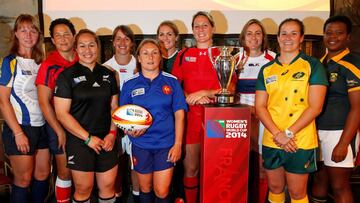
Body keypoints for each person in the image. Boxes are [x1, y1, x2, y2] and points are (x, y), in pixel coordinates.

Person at [255, 18, 328, 203]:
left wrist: (288, 134)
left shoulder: (313, 65)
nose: (288, 37)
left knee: (297, 193)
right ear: (278, 38)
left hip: (300, 140)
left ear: (301, 38)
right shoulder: (266, 69)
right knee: (275, 188)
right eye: (284, 33)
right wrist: (278, 134)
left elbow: (315, 107)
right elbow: (260, 107)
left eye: (294, 33)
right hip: (273, 139)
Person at [54, 29, 119, 203]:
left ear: (98, 47)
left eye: (91, 44)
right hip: (80, 140)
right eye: (82, 46)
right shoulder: (66, 76)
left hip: (106, 140)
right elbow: (61, 114)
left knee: (107, 188)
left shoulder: (109, 75)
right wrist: (88, 138)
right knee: (83, 189)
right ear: (75, 48)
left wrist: (112, 134)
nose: (87, 50)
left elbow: (114, 107)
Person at [120, 38, 187, 203]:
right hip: (141, 144)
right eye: (145, 53)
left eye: (154, 53)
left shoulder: (171, 82)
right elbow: (122, 117)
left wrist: (178, 145)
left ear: (160, 56)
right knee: (145, 189)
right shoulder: (130, 84)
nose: (150, 57)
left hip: (166, 144)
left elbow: (180, 115)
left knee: (162, 191)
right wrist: (129, 130)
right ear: (139, 58)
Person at [171, 11, 222, 203]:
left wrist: (203, 94)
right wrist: (190, 98)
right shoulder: (184, 55)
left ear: (213, 28)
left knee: (215, 167)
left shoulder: (221, 54)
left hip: (216, 119)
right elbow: (176, 87)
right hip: (190, 117)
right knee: (191, 168)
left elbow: (230, 87)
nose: (201, 29)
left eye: (205, 25)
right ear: (192, 30)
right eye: (197, 26)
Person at [0, 14, 50, 203]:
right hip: (21, 127)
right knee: (23, 179)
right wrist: (18, 132)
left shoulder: (41, 62)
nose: (28, 34)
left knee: (43, 174)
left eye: (33, 30)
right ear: (16, 34)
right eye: (23, 30)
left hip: (42, 126)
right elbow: (3, 101)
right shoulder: (10, 62)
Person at [311, 15, 360, 203]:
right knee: (319, 179)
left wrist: (343, 143)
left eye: (339, 33)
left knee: (339, 186)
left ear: (348, 37)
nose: (333, 37)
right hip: (315, 131)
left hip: (339, 132)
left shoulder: (354, 63)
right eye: (329, 32)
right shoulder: (318, 63)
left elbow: (358, 108)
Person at [35, 18, 78, 203]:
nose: (62, 39)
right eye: (58, 36)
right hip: (59, 125)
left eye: (66, 34)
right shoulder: (48, 65)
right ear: (52, 40)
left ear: (74, 36)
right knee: (65, 170)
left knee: (83, 170)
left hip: (82, 123)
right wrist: (59, 130)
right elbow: (44, 102)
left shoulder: (82, 58)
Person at [236, 19, 275, 203]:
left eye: (257, 33)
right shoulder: (235, 60)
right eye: (249, 33)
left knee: (262, 165)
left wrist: (259, 111)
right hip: (240, 116)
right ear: (243, 37)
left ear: (263, 37)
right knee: (240, 164)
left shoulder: (273, 59)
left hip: (266, 116)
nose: (253, 37)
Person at [103, 24, 139, 203]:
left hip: (137, 125)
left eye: (126, 38)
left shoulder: (141, 63)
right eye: (118, 38)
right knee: (114, 166)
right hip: (113, 125)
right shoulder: (104, 68)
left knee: (137, 166)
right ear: (113, 42)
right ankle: (116, 196)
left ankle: (137, 196)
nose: (122, 42)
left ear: (132, 43)